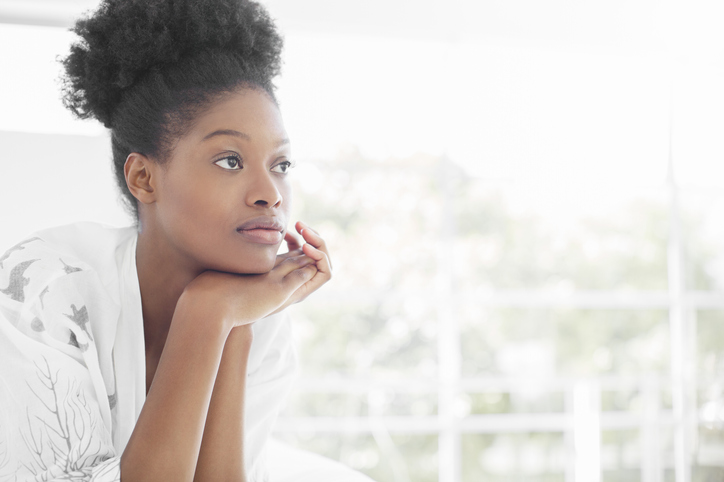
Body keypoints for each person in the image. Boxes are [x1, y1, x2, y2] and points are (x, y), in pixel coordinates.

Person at [0, 0, 352, 480]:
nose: (270, 195)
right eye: (230, 160)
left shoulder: (261, 319)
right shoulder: (41, 290)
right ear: (144, 178)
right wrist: (206, 315)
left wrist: (228, 321)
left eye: (281, 165)